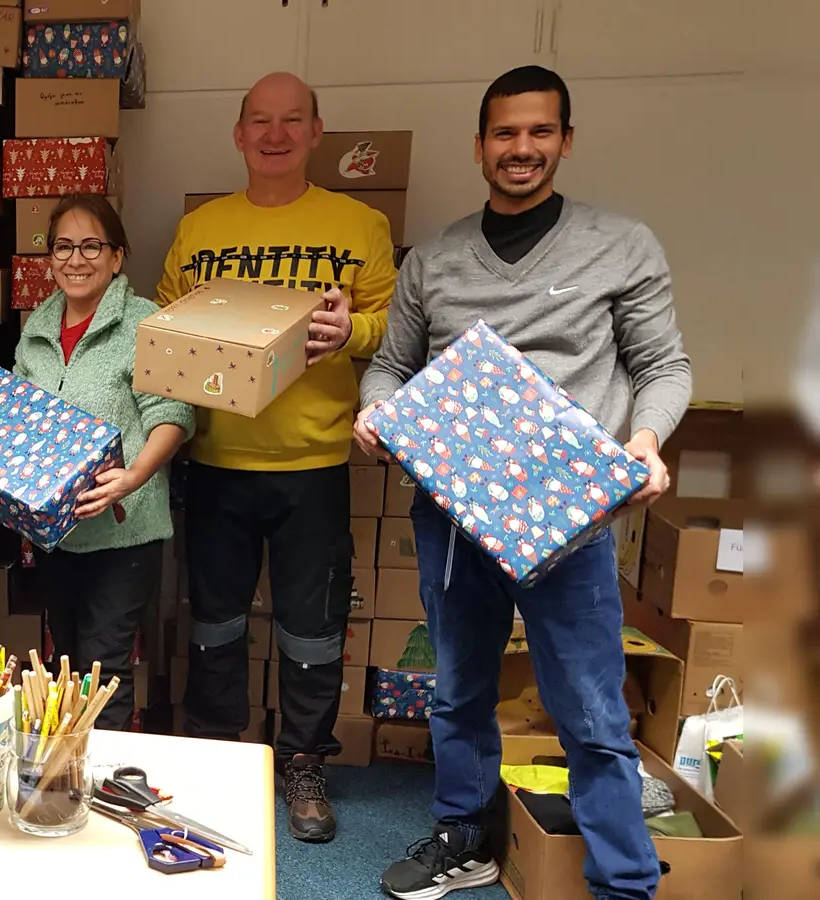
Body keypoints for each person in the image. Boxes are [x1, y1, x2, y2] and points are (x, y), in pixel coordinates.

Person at [357, 66, 691, 900]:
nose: (522, 149)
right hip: (454, 518)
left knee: (590, 709)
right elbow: (389, 367)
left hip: (570, 521)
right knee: (459, 690)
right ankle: (464, 835)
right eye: (505, 133)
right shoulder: (433, 261)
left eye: (540, 132)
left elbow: (664, 366)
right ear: (479, 147)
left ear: (566, 140)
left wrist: (645, 442)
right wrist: (376, 416)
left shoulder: (622, 245)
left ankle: (624, 880)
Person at [154, 71, 397, 842]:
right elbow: (165, 321)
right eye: (260, 120)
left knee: (313, 630)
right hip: (217, 459)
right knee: (215, 623)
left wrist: (349, 334)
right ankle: (220, 755)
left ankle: (302, 764)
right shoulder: (202, 229)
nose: (275, 133)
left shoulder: (359, 224)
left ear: (317, 133)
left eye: (293, 120)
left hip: (314, 466)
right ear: (238, 133)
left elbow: (396, 325)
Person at [12, 195, 194, 731]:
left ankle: (102, 791)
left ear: (118, 256)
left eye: (91, 245)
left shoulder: (146, 323)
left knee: (104, 666)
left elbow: (174, 414)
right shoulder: (37, 327)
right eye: (63, 246)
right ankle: (70, 777)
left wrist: (132, 478)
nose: (76, 258)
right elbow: (17, 421)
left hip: (125, 530)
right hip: (57, 533)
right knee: (65, 662)